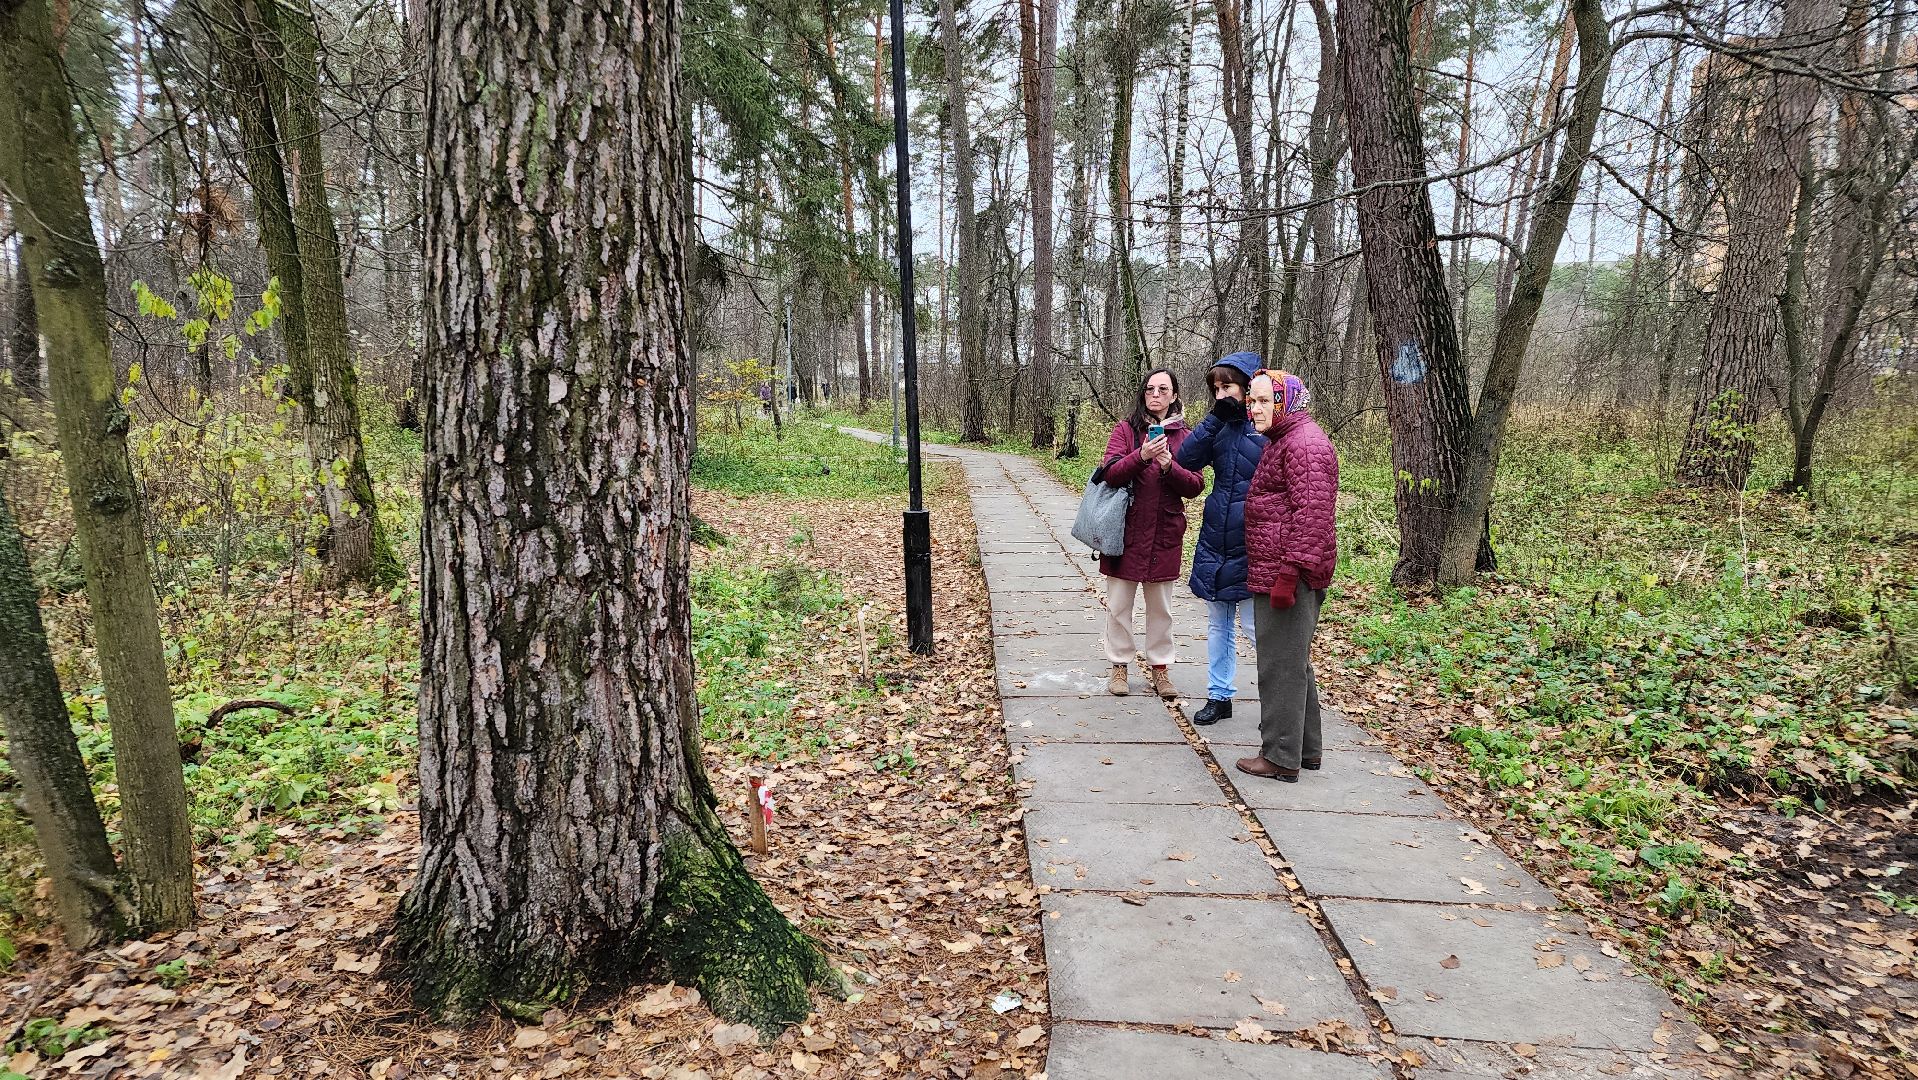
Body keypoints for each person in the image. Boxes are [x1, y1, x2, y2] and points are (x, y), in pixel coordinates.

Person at [1236, 370, 1339, 782]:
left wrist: (1288, 574)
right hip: (1279, 566)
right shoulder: (1287, 440)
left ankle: (1280, 756)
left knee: (1279, 664)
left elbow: (1313, 517)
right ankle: (1306, 750)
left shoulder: (1305, 445)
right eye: (1252, 401)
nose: (1254, 408)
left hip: (1289, 571)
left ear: (1287, 402)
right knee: (1294, 661)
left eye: (1263, 401)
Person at [1172, 352, 1267, 726]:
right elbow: (1186, 459)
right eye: (1216, 389)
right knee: (1218, 623)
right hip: (1217, 538)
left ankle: (1274, 704)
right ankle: (1219, 695)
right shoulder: (1220, 427)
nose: (1221, 394)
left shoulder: (1268, 430)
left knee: (1257, 629)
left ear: (1248, 388)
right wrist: (1214, 419)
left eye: (1227, 387)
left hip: (1254, 541)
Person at [1098, 368, 1204, 699]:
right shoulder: (1126, 431)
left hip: (1164, 533)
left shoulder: (1186, 437)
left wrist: (1170, 466)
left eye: (1163, 389)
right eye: (1149, 389)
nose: (1155, 394)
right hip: (1125, 533)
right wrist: (1141, 456)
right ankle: (1119, 664)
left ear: (1174, 396)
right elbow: (1110, 474)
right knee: (1118, 605)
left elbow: (1195, 485)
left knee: (1161, 608)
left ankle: (1160, 668)